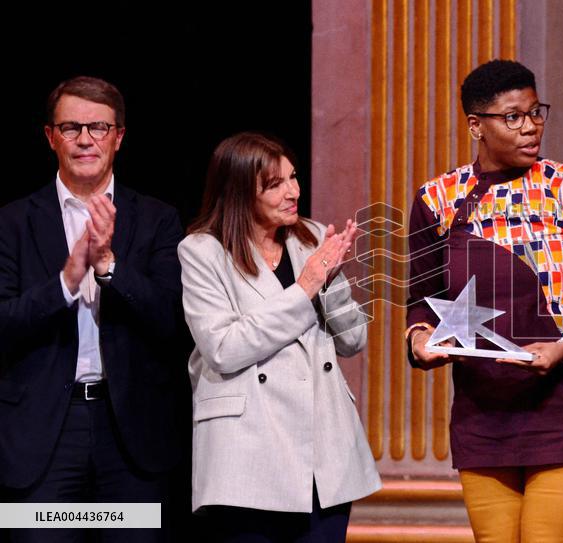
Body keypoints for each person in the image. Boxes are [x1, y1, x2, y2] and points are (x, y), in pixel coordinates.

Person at [404, 59, 563, 542]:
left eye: (535, 112)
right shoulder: (437, 200)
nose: (530, 127)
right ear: (476, 126)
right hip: (482, 419)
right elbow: (423, 298)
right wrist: (421, 337)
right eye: (512, 116)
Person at [0, 76, 183, 542]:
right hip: (42, 437)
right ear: (49, 137)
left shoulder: (159, 219)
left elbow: (172, 322)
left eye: (99, 127)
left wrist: (108, 266)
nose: (85, 139)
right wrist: (66, 281)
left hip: (132, 438)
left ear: (119, 137)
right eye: (71, 127)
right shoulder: (12, 221)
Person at [178, 132, 379, 542]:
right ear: (238, 192)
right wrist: (304, 288)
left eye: (293, 177)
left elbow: (353, 340)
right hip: (248, 453)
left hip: (324, 454)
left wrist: (332, 278)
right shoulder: (203, 252)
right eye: (275, 184)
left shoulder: (312, 236)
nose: (293, 192)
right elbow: (224, 348)